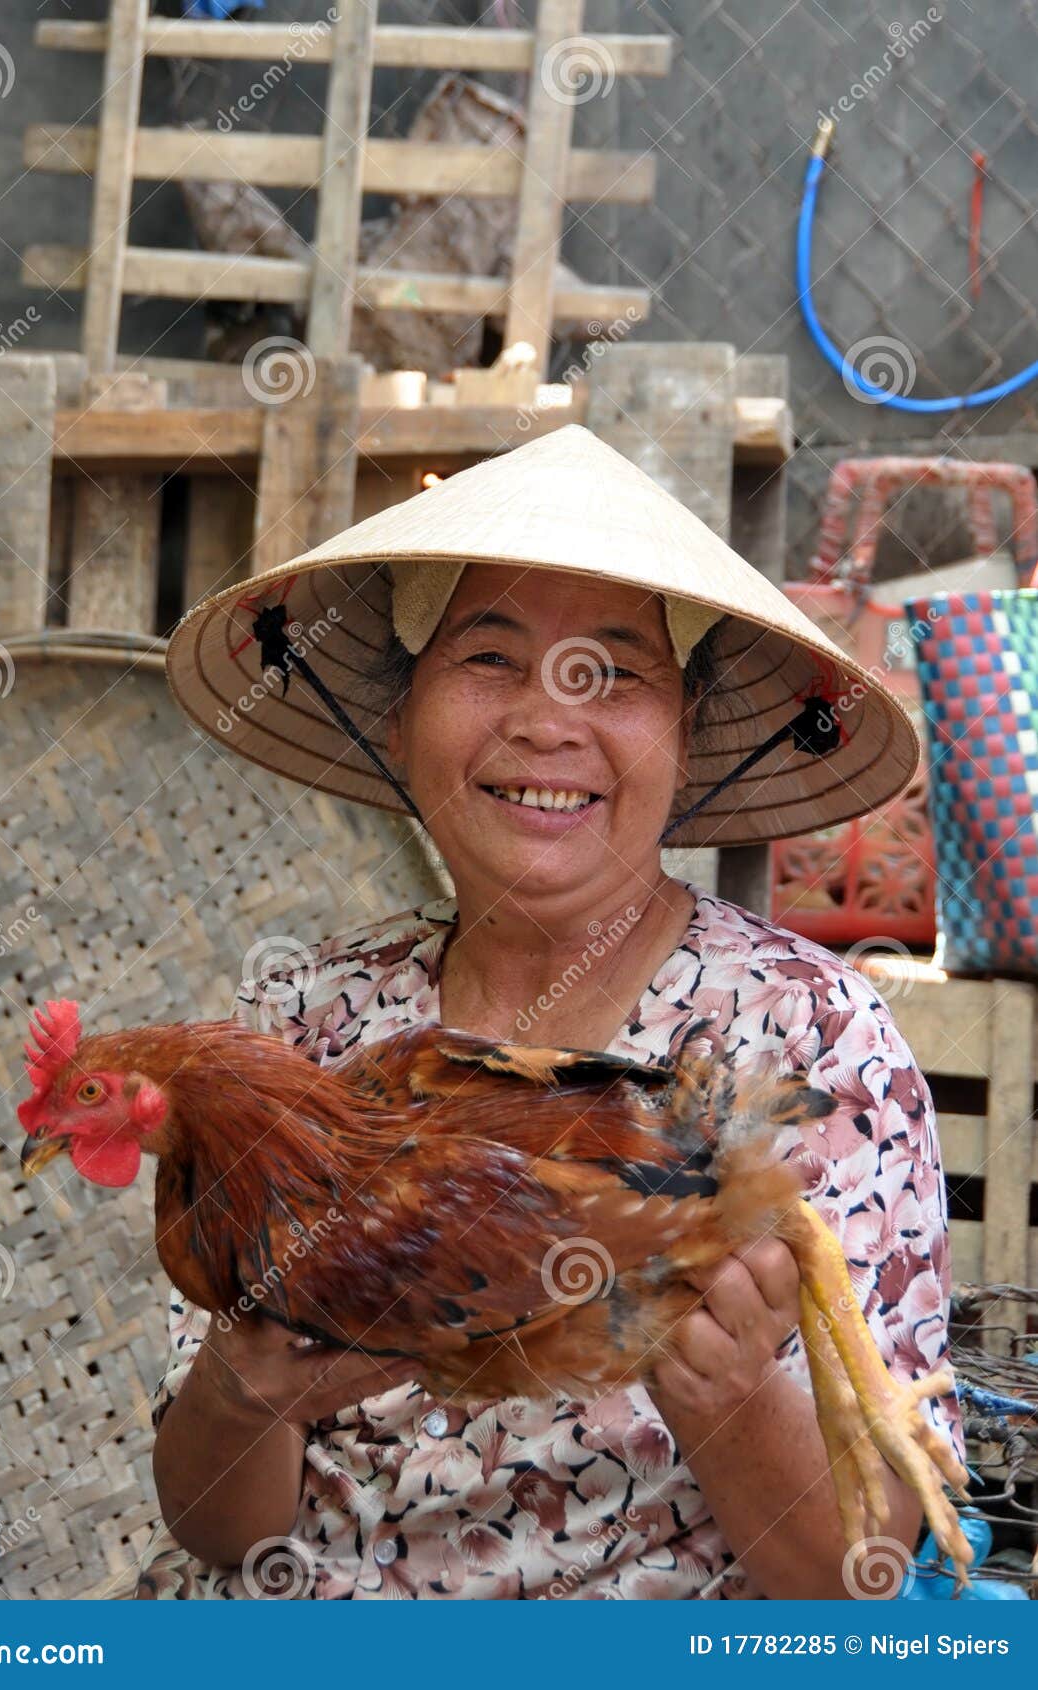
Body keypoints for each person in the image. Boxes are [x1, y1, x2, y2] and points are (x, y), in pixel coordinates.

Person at [137, 425, 962, 1600]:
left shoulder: (812, 1039)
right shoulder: (298, 1022)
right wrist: (241, 1386)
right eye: (488, 657)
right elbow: (223, 1531)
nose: (549, 718)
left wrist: (727, 1394)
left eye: (615, 671)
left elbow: (864, 1580)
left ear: (687, 742)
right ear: (399, 718)